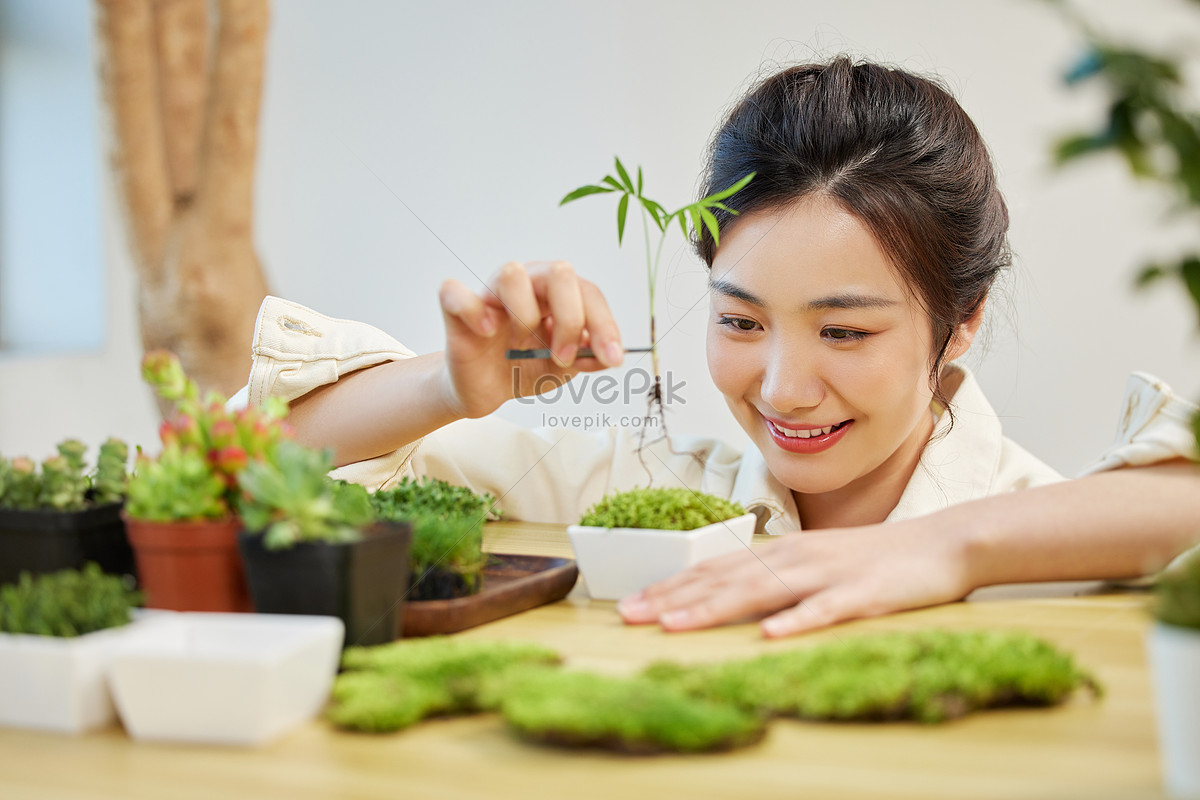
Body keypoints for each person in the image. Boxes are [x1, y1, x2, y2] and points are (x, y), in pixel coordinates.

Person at [235, 56, 1200, 638]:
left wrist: (941, 550)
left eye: (844, 330)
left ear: (966, 317)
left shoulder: (1040, 531)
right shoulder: (654, 496)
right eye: (739, 321)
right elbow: (256, 467)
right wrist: (453, 384)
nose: (782, 386)